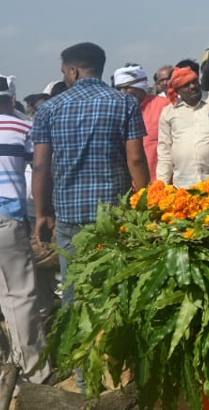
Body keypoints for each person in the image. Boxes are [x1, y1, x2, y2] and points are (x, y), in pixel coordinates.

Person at [31, 43, 150, 302]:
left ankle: (78, 341)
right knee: (116, 290)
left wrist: (42, 213)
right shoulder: (125, 103)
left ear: (73, 71)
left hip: (70, 217)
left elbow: (40, 166)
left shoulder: (49, 109)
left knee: (75, 290)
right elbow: (137, 159)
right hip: (115, 214)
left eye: (64, 72)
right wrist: (146, 205)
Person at [0, 75, 53, 391]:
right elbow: (40, 169)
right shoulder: (22, 128)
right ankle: (34, 374)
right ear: (12, 98)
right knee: (18, 296)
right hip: (4, 216)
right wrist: (45, 214)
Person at [156, 67, 209, 186]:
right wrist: (161, 185)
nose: (192, 87)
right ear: (177, 91)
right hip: (184, 185)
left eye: (194, 82)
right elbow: (165, 151)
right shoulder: (169, 112)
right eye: (186, 85)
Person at [113, 64, 166, 180]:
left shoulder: (164, 106)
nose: (123, 92)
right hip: (130, 184)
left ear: (140, 86)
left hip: (162, 181)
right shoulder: (117, 112)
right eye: (119, 88)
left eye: (127, 87)